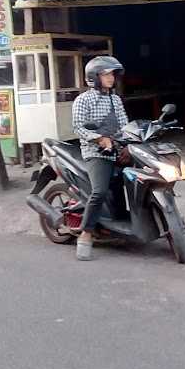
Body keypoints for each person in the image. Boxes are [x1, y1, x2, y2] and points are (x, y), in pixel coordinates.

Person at [72, 56, 129, 261]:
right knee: (100, 191)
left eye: (112, 74)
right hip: (95, 152)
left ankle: (123, 221)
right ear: (94, 77)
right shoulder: (83, 100)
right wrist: (100, 139)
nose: (111, 78)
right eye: (106, 74)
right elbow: (78, 127)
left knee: (135, 179)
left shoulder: (115, 99)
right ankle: (86, 234)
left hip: (116, 148)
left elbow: (124, 125)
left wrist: (129, 144)